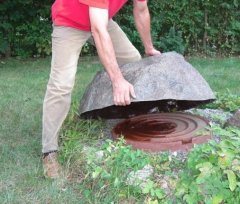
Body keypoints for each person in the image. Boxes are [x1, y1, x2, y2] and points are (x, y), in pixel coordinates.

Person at [42, 0, 160, 178]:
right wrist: (117, 80)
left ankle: (112, 110)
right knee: (61, 85)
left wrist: (149, 47)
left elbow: (141, 10)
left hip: (102, 19)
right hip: (69, 22)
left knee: (132, 61)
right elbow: (98, 30)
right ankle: (49, 151)